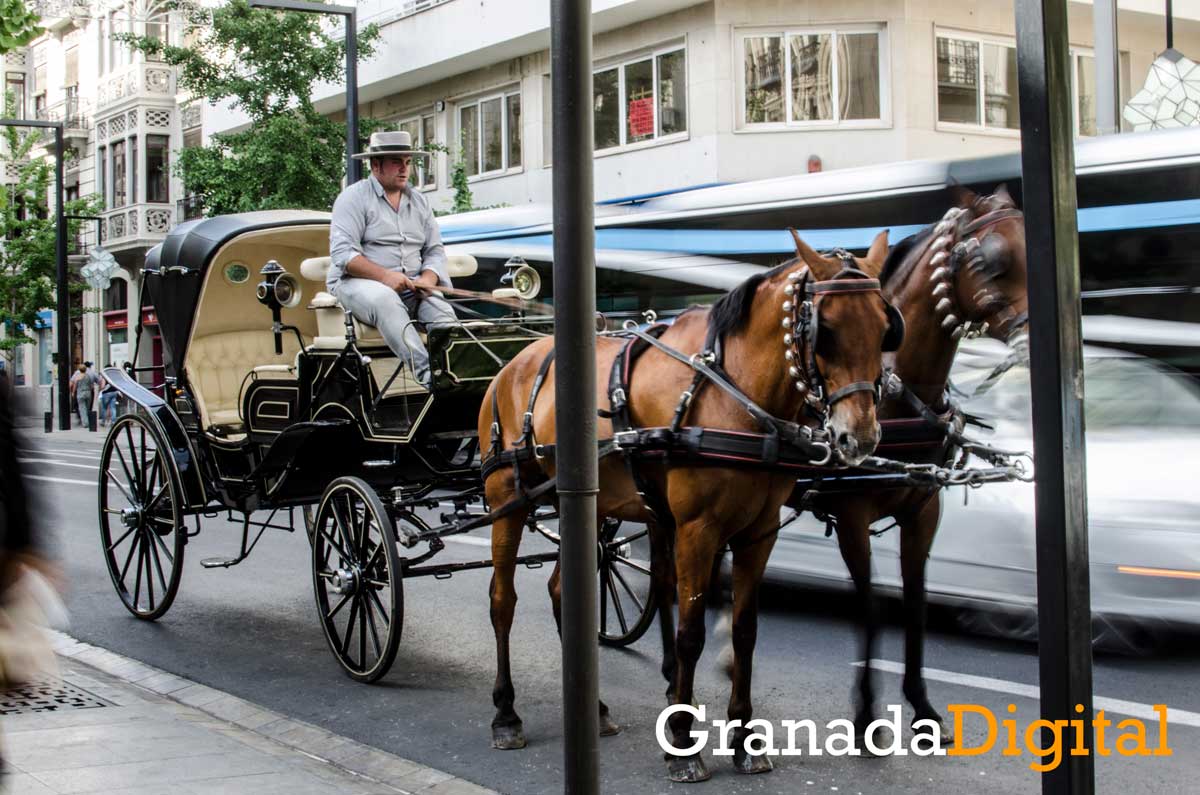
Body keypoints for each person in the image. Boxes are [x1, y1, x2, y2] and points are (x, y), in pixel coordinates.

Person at [328, 130, 457, 389]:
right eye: (397, 162)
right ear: (376, 165)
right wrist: (385, 276)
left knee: (443, 314)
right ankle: (429, 378)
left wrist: (428, 279)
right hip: (355, 283)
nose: (405, 169)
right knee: (385, 298)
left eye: (408, 162)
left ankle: (456, 375)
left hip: (412, 287)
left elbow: (434, 250)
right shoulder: (353, 198)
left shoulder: (419, 201)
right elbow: (343, 255)